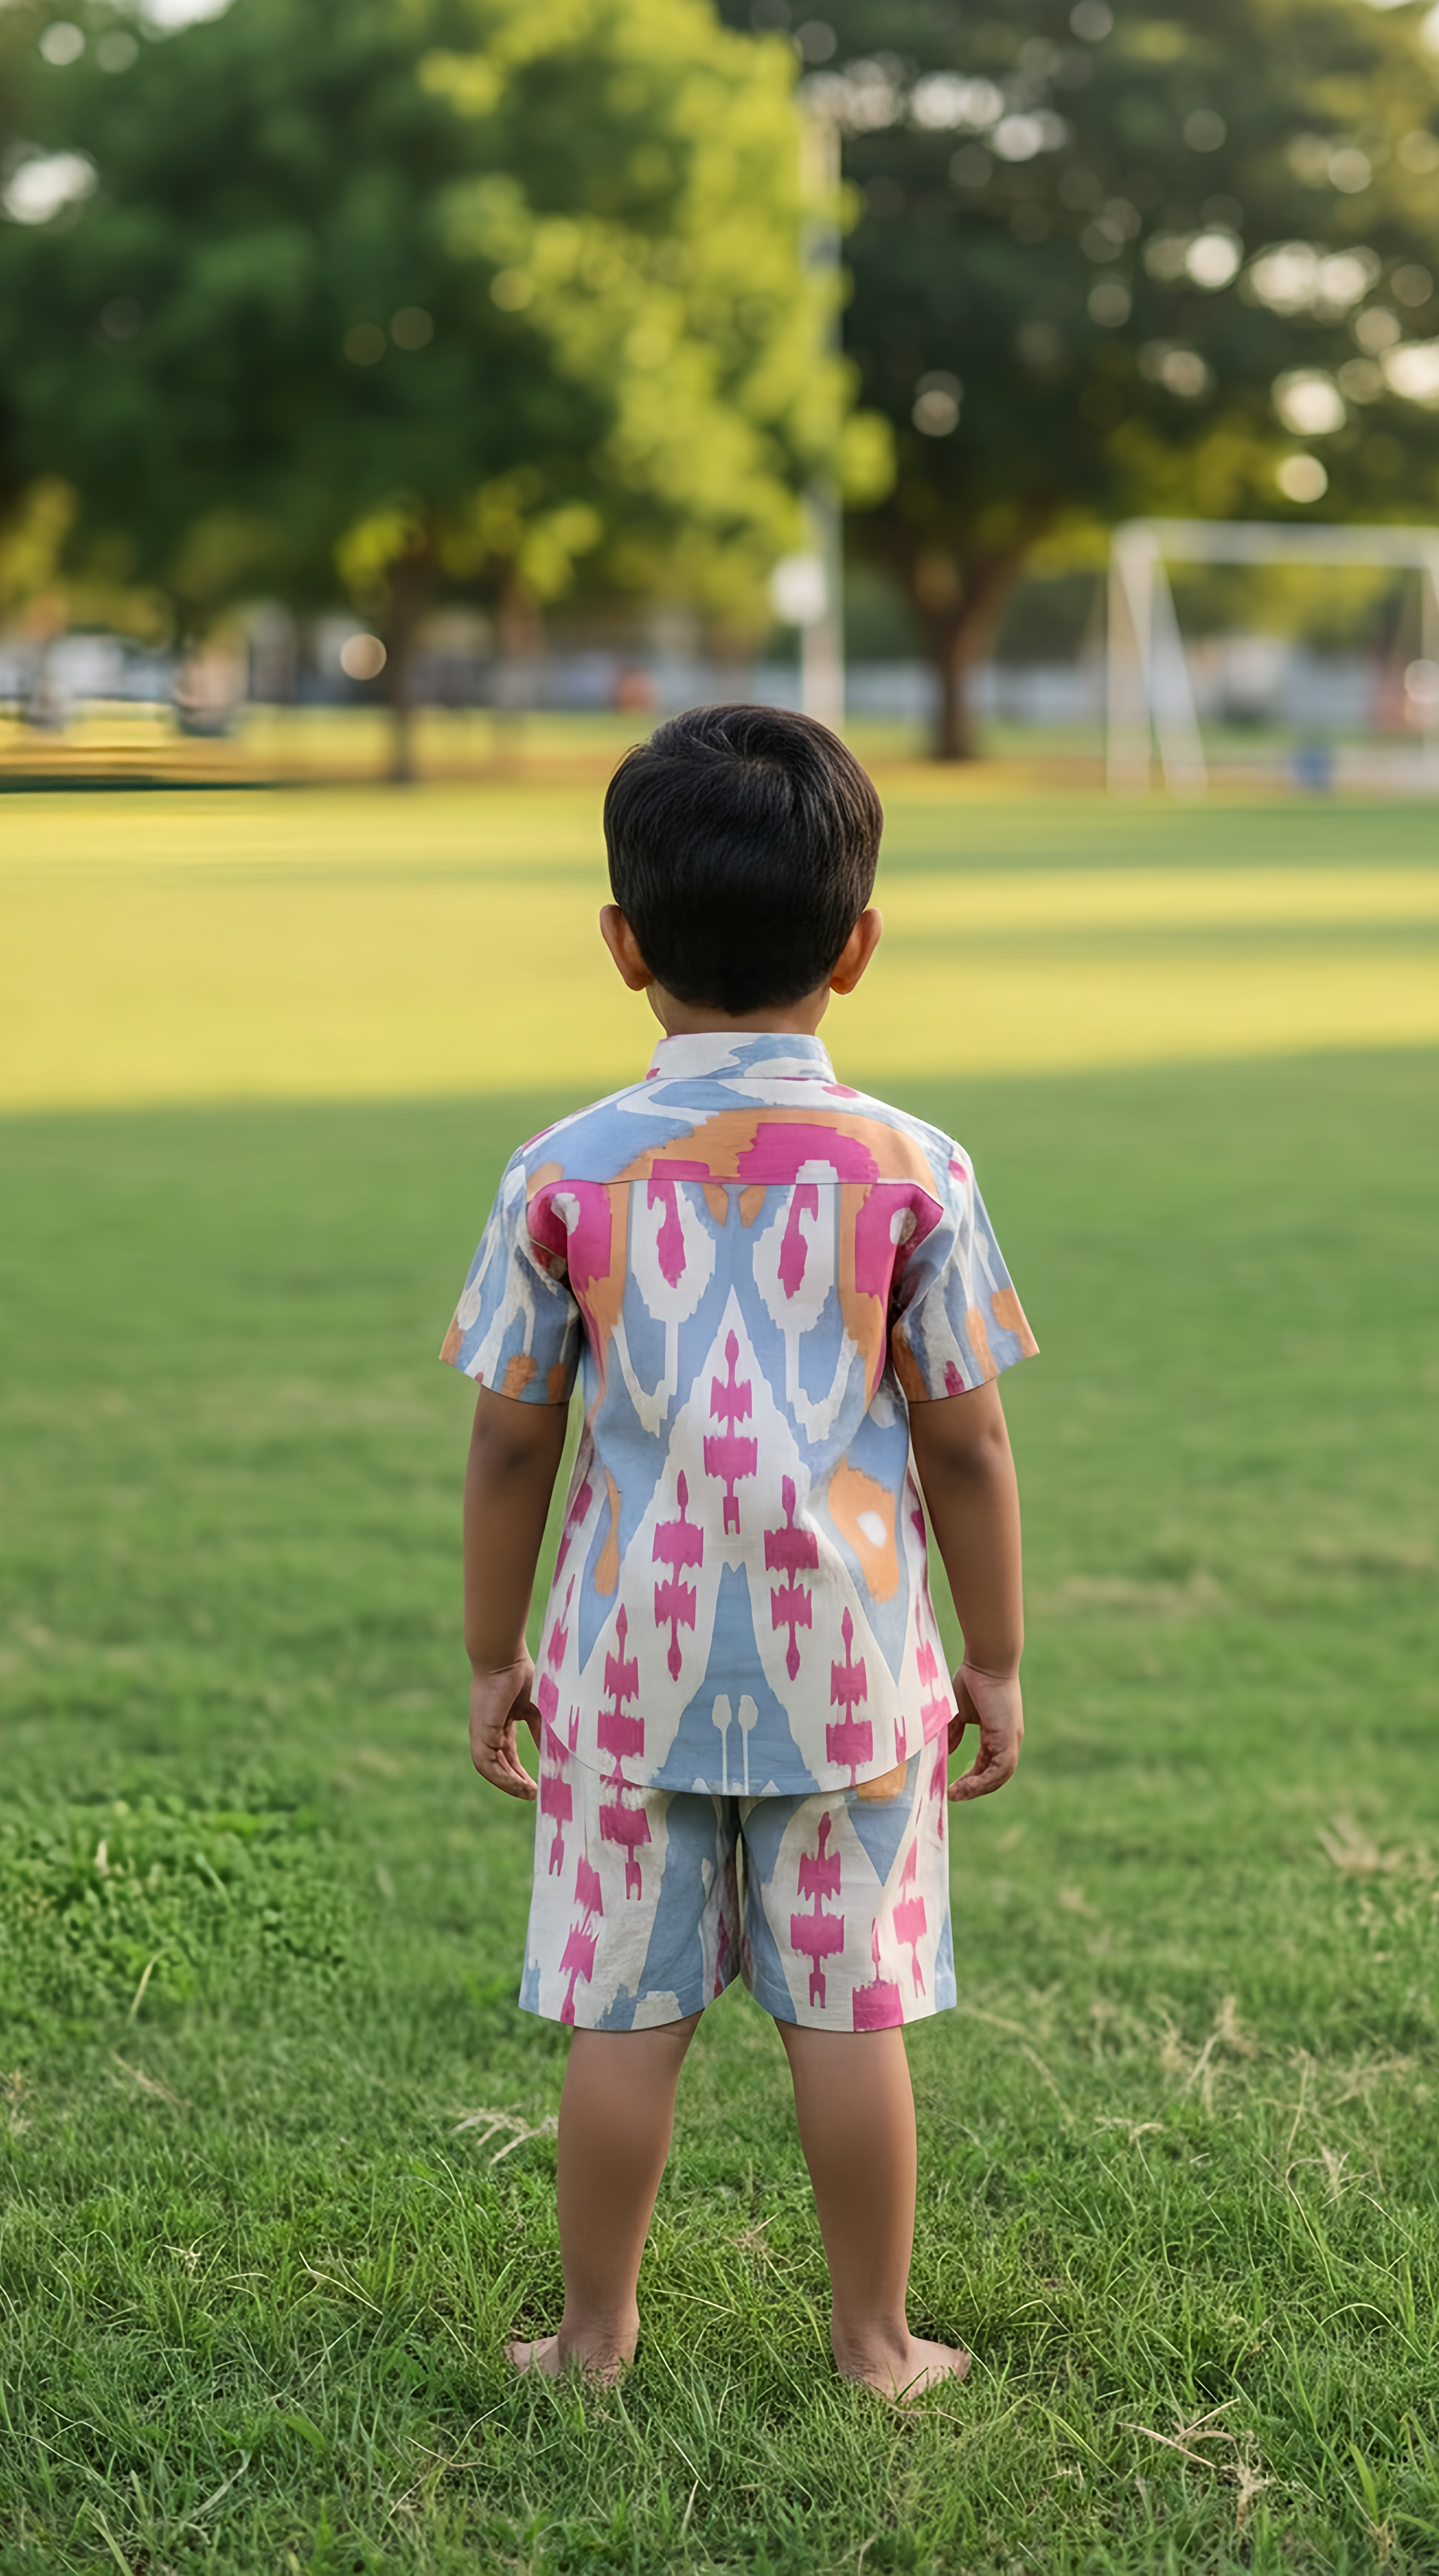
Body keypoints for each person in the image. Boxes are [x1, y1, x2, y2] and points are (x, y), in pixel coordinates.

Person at [446, 703, 1035, 2401]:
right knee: (846, 2019)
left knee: (625, 2019)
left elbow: (509, 1442)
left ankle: (591, 2335)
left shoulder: (560, 1173)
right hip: (851, 1673)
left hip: (624, 1670)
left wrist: (499, 1654)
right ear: (856, 948)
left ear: (624, 945)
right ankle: (874, 2343)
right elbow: (967, 1444)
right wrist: (990, 1655)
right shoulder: (917, 1173)